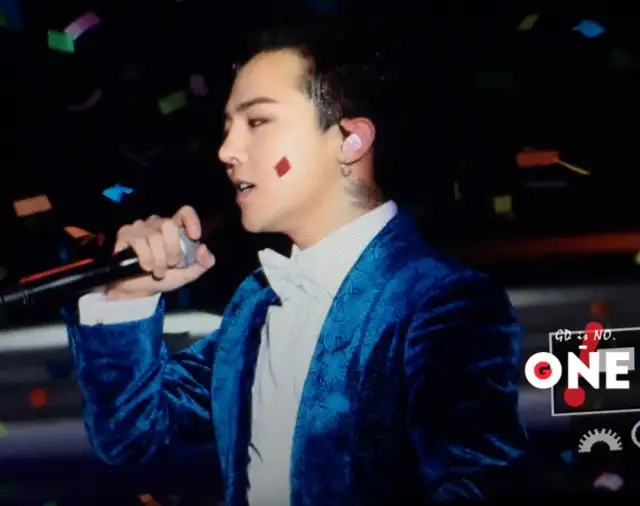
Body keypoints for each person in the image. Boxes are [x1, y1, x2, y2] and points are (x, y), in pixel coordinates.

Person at [64, 20, 528, 506]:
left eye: (257, 122)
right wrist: (128, 297)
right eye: (227, 127)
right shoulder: (256, 303)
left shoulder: (442, 302)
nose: (226, 151)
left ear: (350, 140)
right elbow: (134, 437)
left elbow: (480, 484)